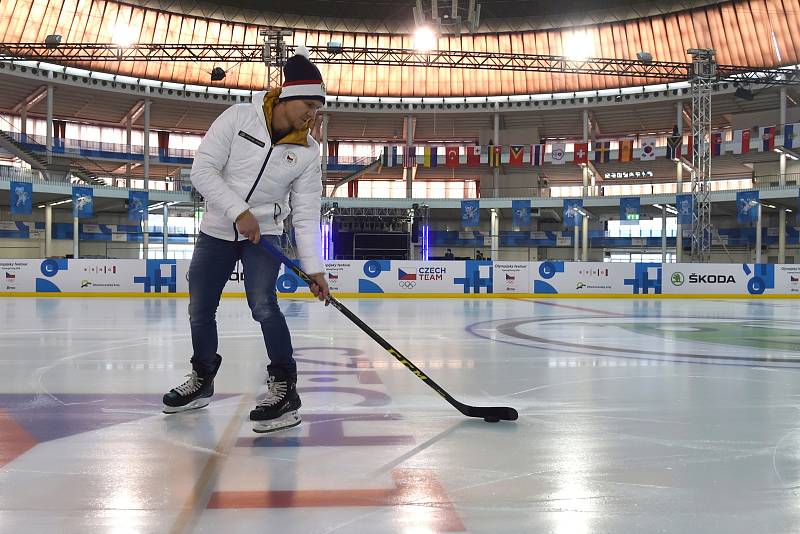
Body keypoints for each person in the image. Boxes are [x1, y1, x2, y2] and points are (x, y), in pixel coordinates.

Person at [162, 46, 329, 434]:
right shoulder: (238, 117)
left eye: (318, 108)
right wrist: (238, 211)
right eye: (309, 104)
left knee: (264, 305)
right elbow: (202, 170)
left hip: (264, 235)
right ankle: (202, 379)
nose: (312, 114)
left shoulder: (308, 152)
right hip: (217, 230)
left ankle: (285, 387)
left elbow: (305, 215)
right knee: (200, 309)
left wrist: (315, 268)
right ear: (287, 97)